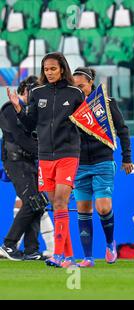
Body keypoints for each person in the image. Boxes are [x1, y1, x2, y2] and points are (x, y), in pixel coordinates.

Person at [7, 52, 85, 268]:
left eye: (53, 68)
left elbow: (87, 124)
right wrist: (19, 109)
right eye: (46, 69)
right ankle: (68, 257)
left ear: (62, 68)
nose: (49, 72)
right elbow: (30, 124)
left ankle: (58, 254)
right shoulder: (37, 93)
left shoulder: (75, 93)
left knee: (60, 201)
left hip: (68, 154)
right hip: (45, 157)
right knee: (56, 204)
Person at [71, 67, 133, 267]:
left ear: (91, 84)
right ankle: (88, 257)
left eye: (82, 86)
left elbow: (122, 129)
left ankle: (109, 243)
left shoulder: (106, 103)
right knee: (83, 209)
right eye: (75, 87)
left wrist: (127, 157)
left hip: (103, 160)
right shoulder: (69, 105)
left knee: (103, 207)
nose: (79, 90)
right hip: (79, 164)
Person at [0, 76, 54, 261]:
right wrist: (46, 151)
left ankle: (31, 249)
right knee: (33, 201)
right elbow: (20, 139)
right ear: (26, 90)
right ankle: (8, 244)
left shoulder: (33, 113)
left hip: (29, 163)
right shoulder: (9, 109)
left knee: (38, 202)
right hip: (16, 163)